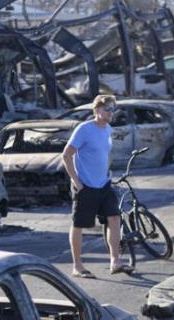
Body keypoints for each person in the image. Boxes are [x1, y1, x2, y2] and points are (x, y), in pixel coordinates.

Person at [63, 94, 132, 278]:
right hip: (85, 186)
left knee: (114, 218)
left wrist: (108, 171)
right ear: (97, 110)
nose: (110, 113)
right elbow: (66, 155)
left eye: (112, 109)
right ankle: (77, 266)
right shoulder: (84, 129)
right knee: (79, 225)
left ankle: (115, 261)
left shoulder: (108, 129)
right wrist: (77, 182)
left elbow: (105, 154)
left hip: (103, 184)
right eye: (107, 109)